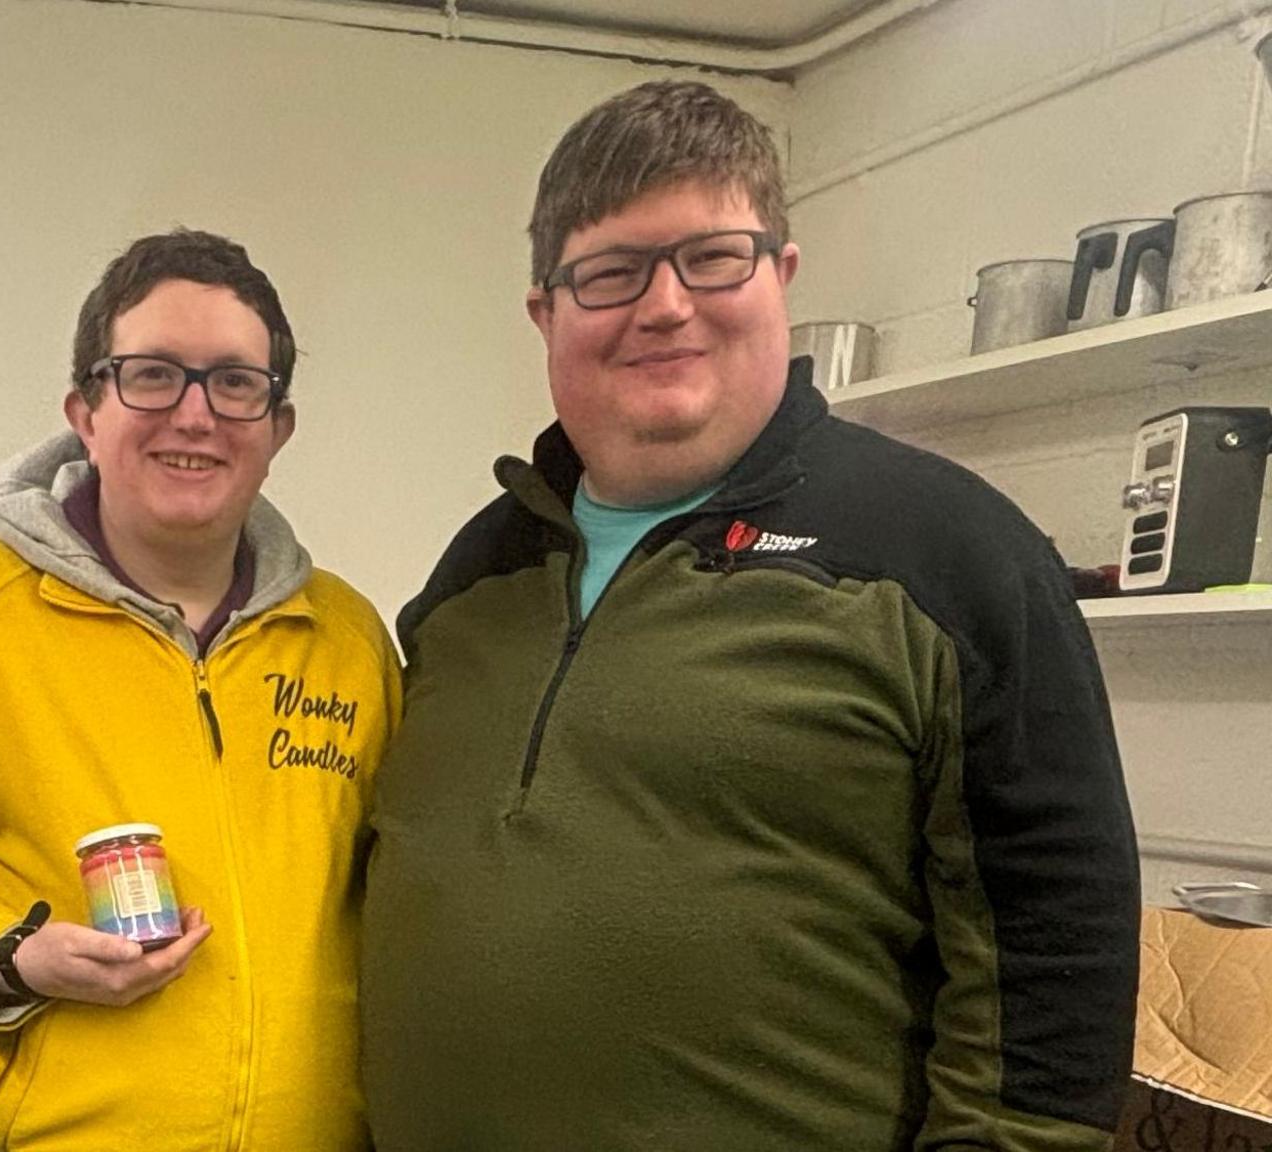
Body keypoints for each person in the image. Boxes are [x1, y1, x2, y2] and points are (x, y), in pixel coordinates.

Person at [360, 80, 1141, 1151]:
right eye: (610, 272)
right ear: (545, 312)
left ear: (779, 273)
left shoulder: (950, 555)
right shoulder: (476, 573)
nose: (664, 304)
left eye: (710, 257)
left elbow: (1054, 950)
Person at [0, 228, 400, 1151]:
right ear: (86, 410)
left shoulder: (348, 639)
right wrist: (13, 958)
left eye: (236, 383)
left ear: (278, 428)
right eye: (153, 374)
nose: (195, 415)